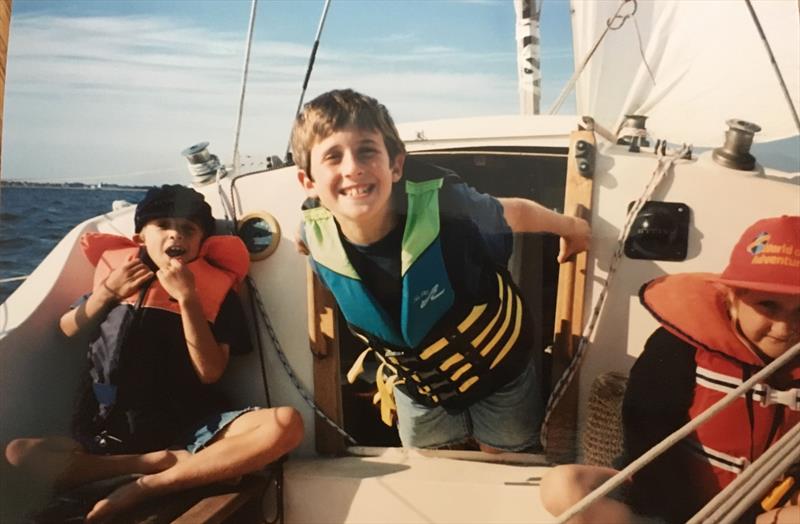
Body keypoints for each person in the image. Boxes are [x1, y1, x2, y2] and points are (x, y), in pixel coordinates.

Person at [291, 89, 590, 453]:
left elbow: (518, 213)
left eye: (367, 150)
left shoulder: (451, 205)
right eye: (332, 157)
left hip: (501, 376)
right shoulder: (312, 234)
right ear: (309, 183)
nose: (352, 167)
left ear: (395, 165)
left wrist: (571, 228)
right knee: (432, 469)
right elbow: (307, 237)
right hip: (419, 393)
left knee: (505, 464)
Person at [4, 185, 304, 522]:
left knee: (286, 425)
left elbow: (210, 372)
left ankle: (148, 485)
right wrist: (106, 293)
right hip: (112, 428)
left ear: (201, 242)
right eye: (163, 224)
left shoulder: (215, 291)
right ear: (140, 236)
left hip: (188, 428)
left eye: (188, 228)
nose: (176, 233)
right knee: (19, 454)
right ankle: (149, 464)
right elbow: (67, 329)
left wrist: (189, 299)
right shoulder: (117, 276)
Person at [540, 215, 800, 524]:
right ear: (733, 297)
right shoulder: (682, 342)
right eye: (767, 305)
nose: (784, 328)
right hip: (666, 498)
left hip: (765, 509)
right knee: (561, 488)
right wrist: (677, 515)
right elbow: (646, 427)